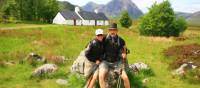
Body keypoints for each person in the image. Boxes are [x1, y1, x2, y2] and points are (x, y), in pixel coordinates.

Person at [99, 23, 130, 88]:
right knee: (101, 76)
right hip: (105, 62)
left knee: (125, 78)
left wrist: (124, 53)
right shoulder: (104, 38)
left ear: (117, 30)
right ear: (108, 30)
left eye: (114, 30)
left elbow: (125, 49)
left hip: (117, 62)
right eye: (111, 30)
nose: (112, 31)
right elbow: (95, 41)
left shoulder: (121, 40)